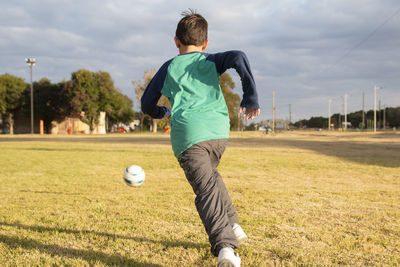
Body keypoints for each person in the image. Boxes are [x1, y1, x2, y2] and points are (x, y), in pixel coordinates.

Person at [141, 10, 260, 267]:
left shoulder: (169, 67)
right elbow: (239, 56)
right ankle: (232, 225)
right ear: (205, 43)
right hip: (218, 134)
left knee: (206, 189)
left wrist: (161, 111)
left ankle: (226, 248)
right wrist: (250, 96)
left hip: (189, 136)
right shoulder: (211, 60)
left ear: (176, 41)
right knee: (211, 178)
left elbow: (146, 104)